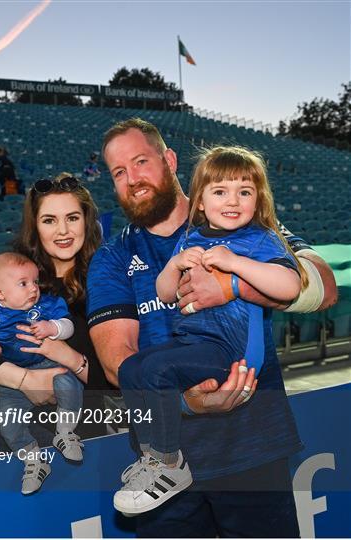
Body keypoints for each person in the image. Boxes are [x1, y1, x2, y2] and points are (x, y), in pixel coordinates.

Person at [86, 118, 337, 537]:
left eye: (141, 161)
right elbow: (117, 363)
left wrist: (232, 284)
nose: (133, 179)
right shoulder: (113, 256)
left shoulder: (239, 219)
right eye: (119, 172)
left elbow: (323, 287)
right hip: (162, 473)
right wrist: (189, 403)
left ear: (168, 160)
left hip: (253, 445)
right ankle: (165, 462)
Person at [113, 146, 307, 514]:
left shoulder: (260, 238)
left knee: (157, 371)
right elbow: (165, 293)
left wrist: (236, 266)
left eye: (244, 192)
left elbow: (290, 286)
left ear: (258, 199)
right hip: (194, 342)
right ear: (199, 201)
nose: (232, 201)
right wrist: (174, 264)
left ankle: (171, 466)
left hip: (230, 352)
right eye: (220, 191)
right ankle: (153, 456)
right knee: (132, 369)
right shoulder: (191, 239)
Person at [0, 173, 108, 471]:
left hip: (71, 438)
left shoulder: (108, 281)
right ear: (35, 226)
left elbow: (114, 381)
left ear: (87, 221)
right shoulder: (14, 273)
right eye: (49, 220)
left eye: (72, 217)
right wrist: (24, 380)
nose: (63, 231)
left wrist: (68, 357)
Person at [0, 252, 83, 495]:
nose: (33, 289)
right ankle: (34, 460)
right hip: (11, 381)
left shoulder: (46, 305)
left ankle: (65, 432)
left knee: (69, 385)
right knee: (9, 423)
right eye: (23, 284)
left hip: (48, 367)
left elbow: (68, 325)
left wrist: (53, 328)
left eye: (35, 282)